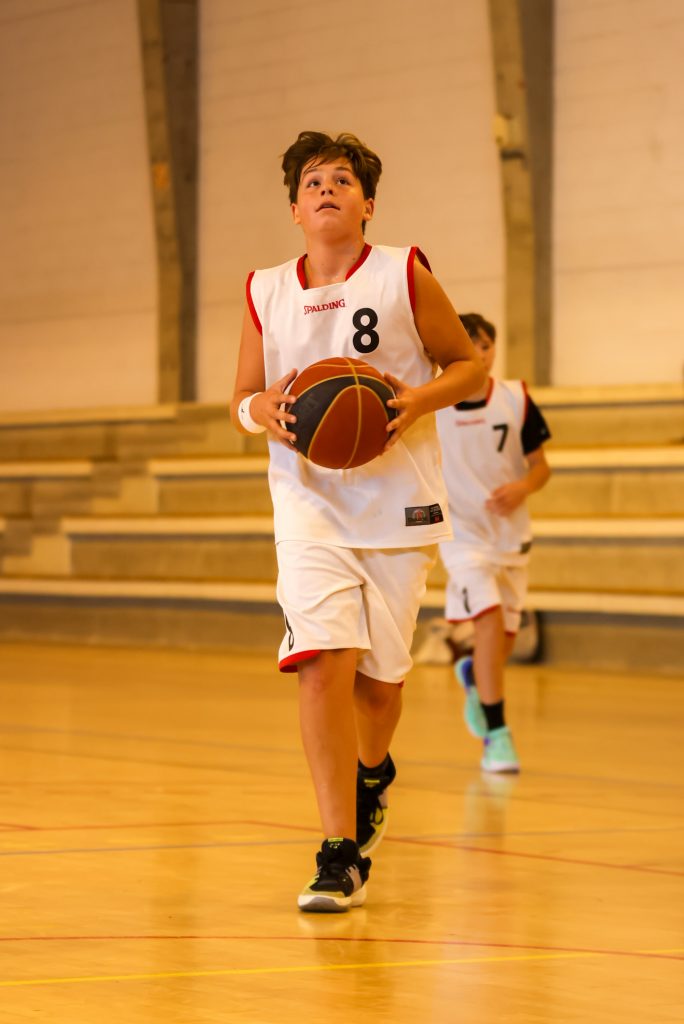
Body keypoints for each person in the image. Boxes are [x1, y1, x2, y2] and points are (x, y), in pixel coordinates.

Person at [230, 131, 484, 912]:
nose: (327, 191)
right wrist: (261, 410)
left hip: (397, 502)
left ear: (367, 204)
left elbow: (467, 365)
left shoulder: (403, 271)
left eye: (342, 180)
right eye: (313, 182)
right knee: (320, 664)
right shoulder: (265, 289)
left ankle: (374, 771)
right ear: (295, 209)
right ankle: (338, 853)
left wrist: (415, 401)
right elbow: (242, 397)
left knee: (377, 690)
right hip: (307, 503)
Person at [435, 313, 552, 773]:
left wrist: (523, 487)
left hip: (510, 536)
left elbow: (540, 467)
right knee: (486, 621)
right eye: (471, 346)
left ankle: (473, 676)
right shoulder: (432, 406)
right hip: (462, 536)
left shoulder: (515, 399)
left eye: (486, 345)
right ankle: (498, 736)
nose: (480, 354)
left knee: (501, 642)